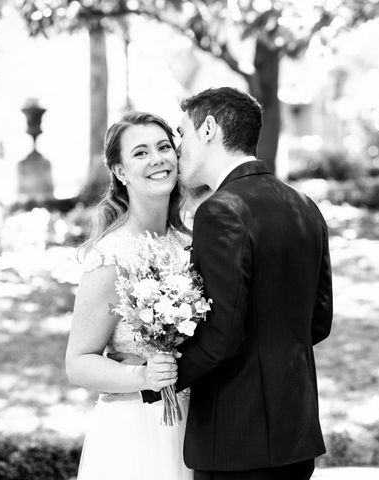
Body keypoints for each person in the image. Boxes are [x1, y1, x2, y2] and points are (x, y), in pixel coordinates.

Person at [142, 87, 333, 480]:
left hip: (236, 443)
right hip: (294, 434)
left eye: (182, 134)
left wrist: (155, 380)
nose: (178, 149)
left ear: (209, 129)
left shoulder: (221, 210)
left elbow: (222, 337)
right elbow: (318, 321)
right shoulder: (303, 204)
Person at [66, 111, 192, 480]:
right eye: (140, 152)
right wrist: (143, 377)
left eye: (164, 146)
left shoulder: (190, 244)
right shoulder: (111, 254)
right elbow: (78, 362)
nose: (157, 159)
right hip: (136, 430)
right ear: (120, 172)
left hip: (195, 427)